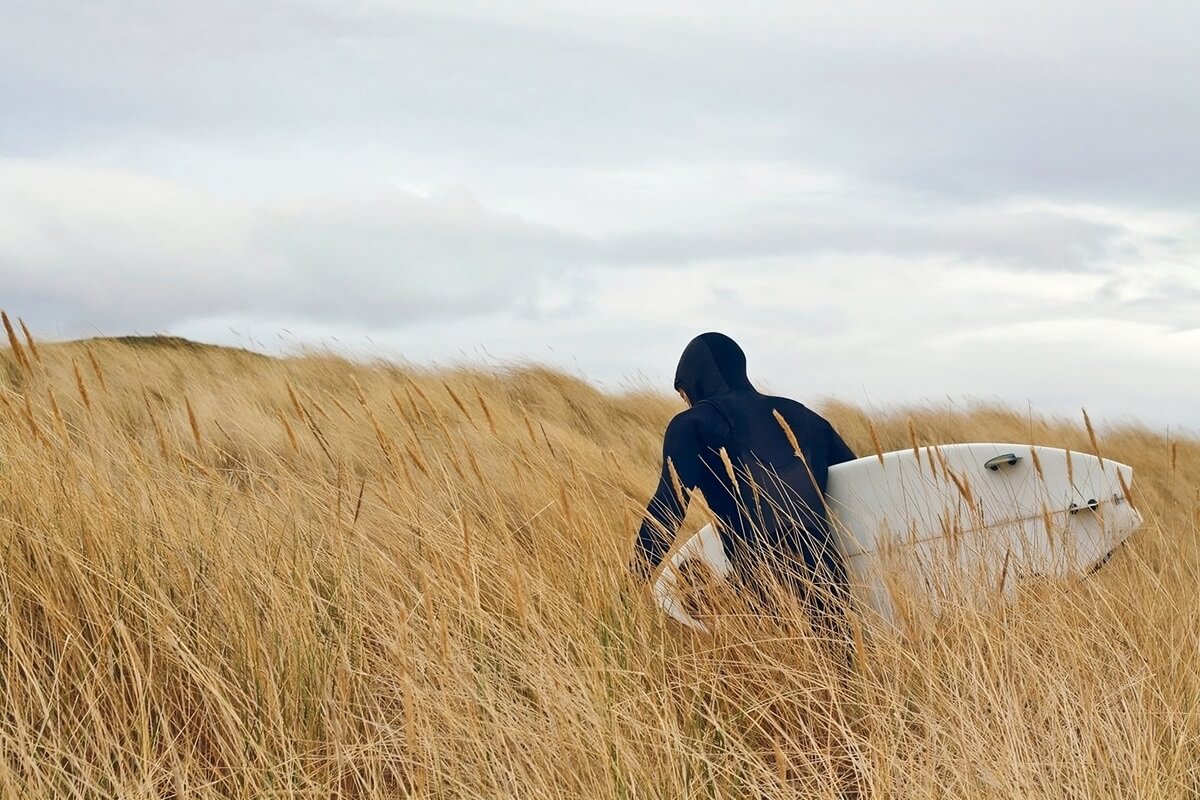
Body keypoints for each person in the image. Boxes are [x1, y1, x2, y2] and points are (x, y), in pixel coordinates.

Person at [629, 332, 857, 628]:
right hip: (831, 584)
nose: (685, 402)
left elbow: (668, 510)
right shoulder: (805, 417)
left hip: (763, 590)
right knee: (839, 673)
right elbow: (857, 485)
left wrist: (632, 584)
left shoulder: (693, 424)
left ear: (693, 382)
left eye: (683, 394)